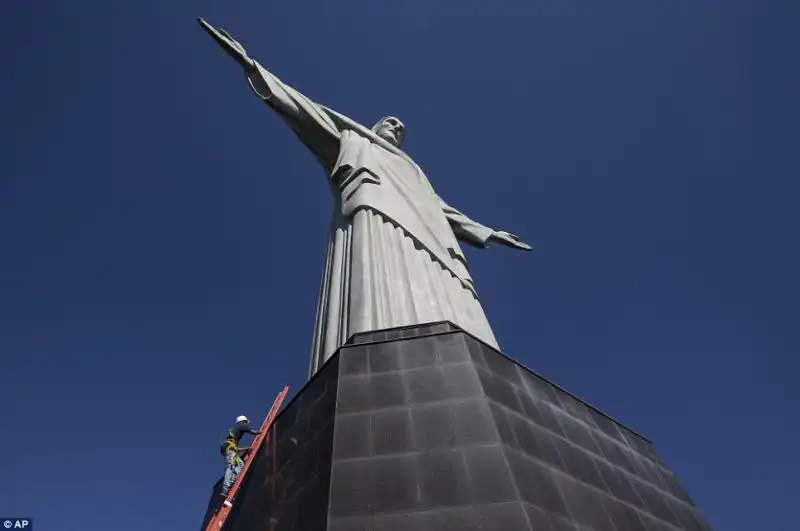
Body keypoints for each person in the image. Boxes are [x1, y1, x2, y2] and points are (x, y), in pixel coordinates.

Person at [220, 415, 261, 497]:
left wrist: (246, 449)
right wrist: (260, 432)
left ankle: (233, 482)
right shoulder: (241, 426)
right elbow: (251, 431)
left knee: (240, 464)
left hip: (229, 448)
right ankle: (226, 488)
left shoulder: (235, 432)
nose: (246, 424)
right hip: (229, 448)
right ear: (243, 421)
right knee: (232, 465)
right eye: (246, 422)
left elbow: (236, 449)